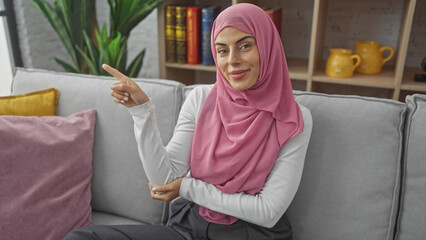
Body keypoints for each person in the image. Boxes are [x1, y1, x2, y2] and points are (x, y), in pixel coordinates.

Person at [64, 3, 312, 240]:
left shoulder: (293, 117)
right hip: (190, 227)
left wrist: (188, 188)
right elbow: (163, 181)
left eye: (245, 46)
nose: (232, 60)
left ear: (267, 47)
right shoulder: (201, 98)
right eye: (222, 50)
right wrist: (141, 112)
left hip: (250, 233)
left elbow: (267, 212)